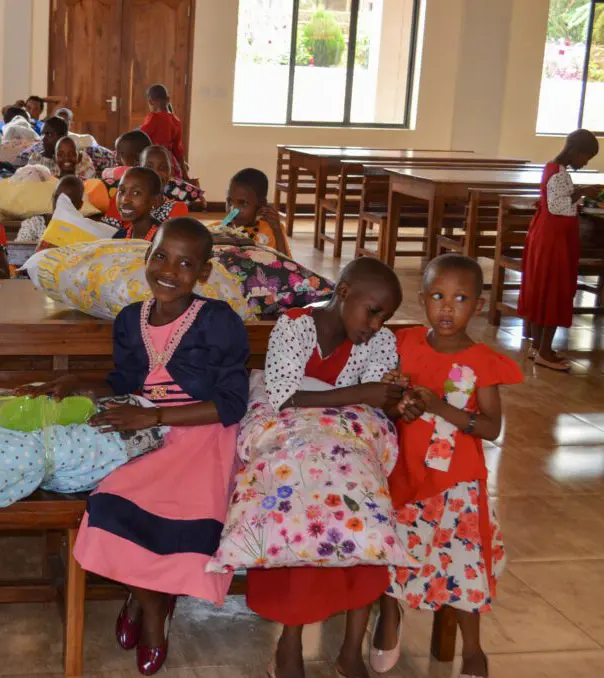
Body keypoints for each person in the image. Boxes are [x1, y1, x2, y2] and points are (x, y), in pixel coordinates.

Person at [21, 218, 249, 675]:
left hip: (203, 436)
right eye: (161, 257)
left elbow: (231, 403)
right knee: (109, 505)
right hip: (146, 431)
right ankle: (151, 601)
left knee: (185, 524)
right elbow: (125, 383)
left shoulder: (219, 321)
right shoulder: (130, 320)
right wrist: (82, 383)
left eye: (186, 264)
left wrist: (156, 415)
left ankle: (151, 613)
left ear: (202, 273)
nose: (170, 270)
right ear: (146, 259)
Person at [247, 257, 405, 678]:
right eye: (372, 310)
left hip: (349, 436)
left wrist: (378, 396)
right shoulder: (295, 325)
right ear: (344, 290)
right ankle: (290, 642)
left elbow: (377, 398)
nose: (375, 324)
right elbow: (283, 397)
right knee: (301, 497)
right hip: (293, 430)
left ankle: (351, 648)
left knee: (364, 502)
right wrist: (362, 393)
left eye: (385, 316)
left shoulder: (380, 341)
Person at [369, 255, 521, 678]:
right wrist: (402, 406)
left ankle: (473, 648)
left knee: (462, 562)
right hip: (405, 474)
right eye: (438, 296)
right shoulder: (406, 343)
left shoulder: (482, 361)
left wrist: (440, 407)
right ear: (422, 299)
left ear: (478, 303)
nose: (448, 308)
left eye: (460, 298)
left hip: (457, 482)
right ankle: (390, 618)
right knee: (395, 550)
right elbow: (386, 404)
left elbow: (490, 427)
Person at [517, 129, 601, 371]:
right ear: (575, 151)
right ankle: (544, 351)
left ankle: (537, 346)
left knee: (541, 288)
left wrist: (579, 193)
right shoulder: (557, 173)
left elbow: (560, 199)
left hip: (548, 235)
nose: (585, 162)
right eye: (585, 157)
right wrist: (583, 192)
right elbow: (558, 206)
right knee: (554, 289)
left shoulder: (556, 169)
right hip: (553, 239)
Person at [222, 168, 290, 256]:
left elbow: (287, 265)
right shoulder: (215, 231)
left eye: (244, 203)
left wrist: (277, 232)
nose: (233, 209)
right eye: (230, 202)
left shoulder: (272, 232)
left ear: (262, 205)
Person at [16, 175, 87, 244]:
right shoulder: (34, 225)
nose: (60, 204)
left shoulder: (86, 230)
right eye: (57, 198)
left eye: (67, 201)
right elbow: (19, 252)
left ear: (79, 205)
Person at [140, 84, 188, 179]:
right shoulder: (176, 120)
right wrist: (183, 170)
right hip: (170, 163)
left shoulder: (154, 118)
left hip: (153, 162)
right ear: (168, 99)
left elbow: (139, 137)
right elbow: (178, 149)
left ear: (150, 101)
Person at [102, 167, 164, 241]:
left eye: (136, 193)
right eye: (122, 191)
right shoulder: (120, 237)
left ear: (154, 200)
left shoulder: (165, 239)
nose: (125, 200)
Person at [141, 145, 203, 210]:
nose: (156, 173)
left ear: (171, 172)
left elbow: (201, 202)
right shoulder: (133, 194)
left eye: (162, 168)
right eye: (148, 167)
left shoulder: (174, 193)